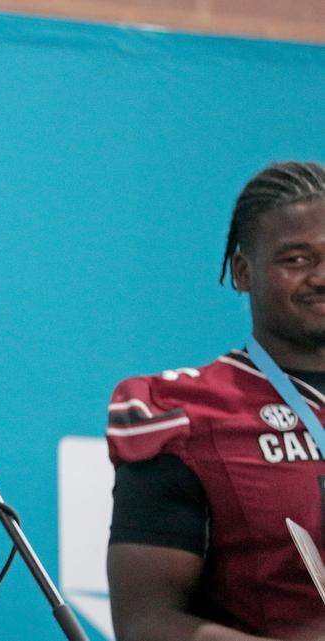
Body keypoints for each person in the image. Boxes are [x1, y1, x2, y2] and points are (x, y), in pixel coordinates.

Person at [105, 161, 325, 641]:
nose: (321, 276)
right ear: (244, 272)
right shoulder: (185, 411)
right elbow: (145, 624)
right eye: (297, 259)